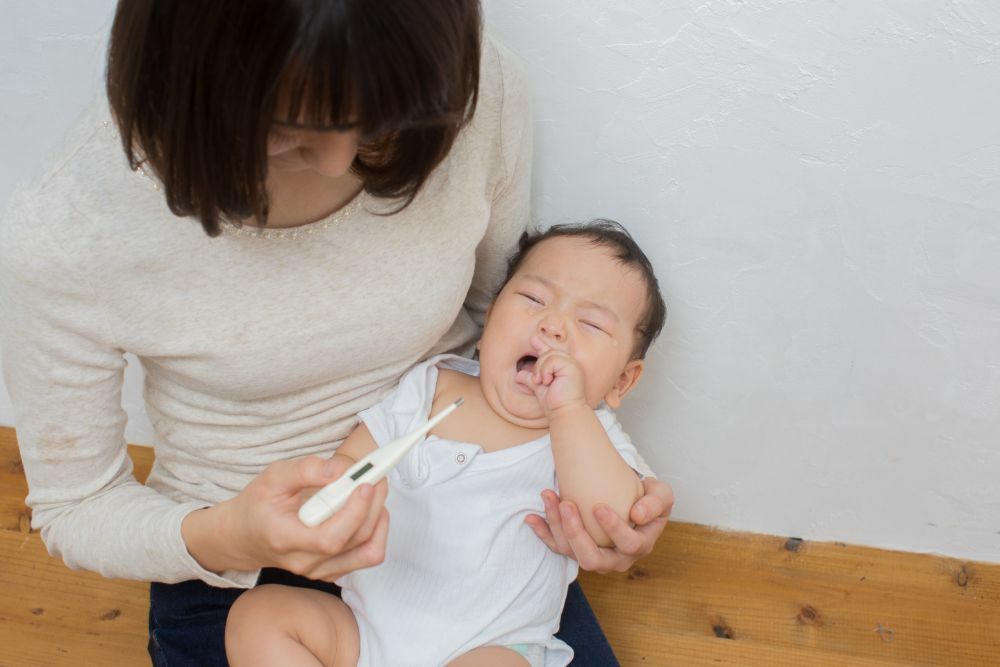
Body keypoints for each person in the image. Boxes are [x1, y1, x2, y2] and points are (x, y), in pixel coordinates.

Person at [0, 2, 674, 665]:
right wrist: (231, 534)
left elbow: (493, 321)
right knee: (260, 620)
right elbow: (77, 507)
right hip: (237, 559)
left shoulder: (474, 92)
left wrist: (610, 515)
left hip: (469, 576)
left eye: (381, 125)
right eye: (291, 129)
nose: (337, 161)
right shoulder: (69, 227)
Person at [225, 220, 668, 667]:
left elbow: (605, 524)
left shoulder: (595, 438)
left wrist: (569, 410)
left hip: (491, 647)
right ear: (491, 316)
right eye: (534, 299)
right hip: (361, 632)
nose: (553, 325)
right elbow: (352, 461)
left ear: (622, 381)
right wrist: (329, 502)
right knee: (258, 615)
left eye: (590, 323)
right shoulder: (431, 385)